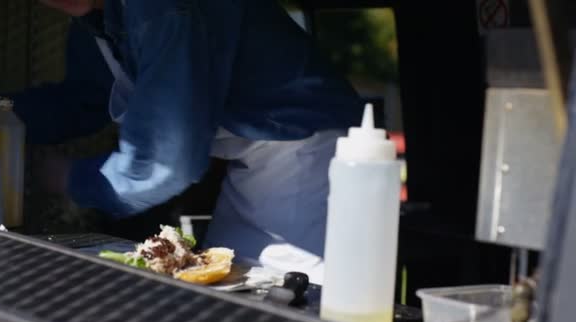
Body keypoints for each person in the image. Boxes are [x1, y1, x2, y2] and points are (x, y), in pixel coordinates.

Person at [33, 0, 364, 283]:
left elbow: (166, 161)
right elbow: (85, 98)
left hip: (311, 157)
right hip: (254, 166)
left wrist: (71, 178)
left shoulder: (165, 9)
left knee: (291, 309)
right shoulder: (97, 19)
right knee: (228, 294)